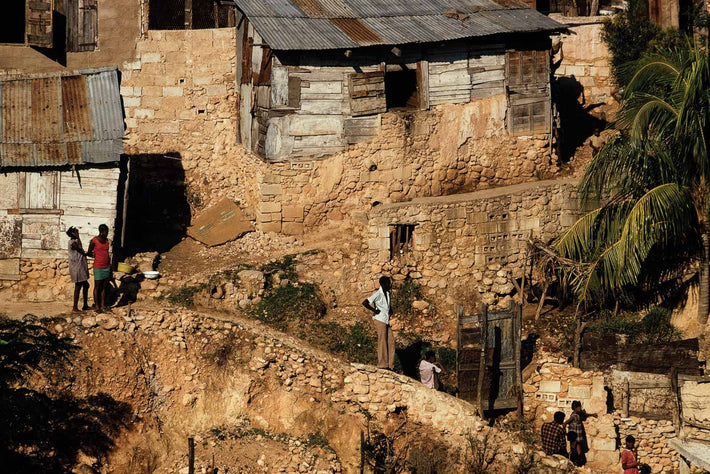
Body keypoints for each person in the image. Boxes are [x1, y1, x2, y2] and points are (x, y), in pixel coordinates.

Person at [362, 276, 394, 370]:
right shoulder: (378, 294)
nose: (390, 285)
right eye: (388, 283)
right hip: (379, 319)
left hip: (386, 319)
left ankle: (390, 365)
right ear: (383, 284)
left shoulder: (387, 293)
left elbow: (388, 305)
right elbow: (365, 302)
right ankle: (382, 364)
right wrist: (374, 310)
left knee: (391, 341)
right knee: (382, 341)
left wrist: (390, 310)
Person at [565, 400, 597, 466]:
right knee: (573, 447)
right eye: (579, 407)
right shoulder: (573, 416)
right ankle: (573, 461)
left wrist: (592, 415)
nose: (580, 408)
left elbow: (585, 414)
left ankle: (579, 461)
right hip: (574, 434)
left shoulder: (578, 414)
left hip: (578, 434)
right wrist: (565, 433)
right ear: (575, 407)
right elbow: (565, 423)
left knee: (578, 447)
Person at [88, 224, 111, 312]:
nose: (107, 234)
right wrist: (95, 255)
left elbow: (107, 254)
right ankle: (97, 306)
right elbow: (89, 252)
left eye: (107, 232)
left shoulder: (107, 241)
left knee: (104, 287)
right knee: (97, 287)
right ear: (101, 232)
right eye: (105, 232)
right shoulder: (94, 240)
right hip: (98, 266)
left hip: (106, 266)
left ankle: (103, 305)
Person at [66, 227, 90, 312]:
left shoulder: (75, 241)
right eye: (76, 232)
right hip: (77, 267)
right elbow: (79, 249)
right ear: (73, 233)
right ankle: (75, 307)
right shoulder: (72, 242)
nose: (78, 233)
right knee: (78, 286)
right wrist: (87, 253)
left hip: (80, 266)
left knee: (86, 285)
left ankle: (85, 305)